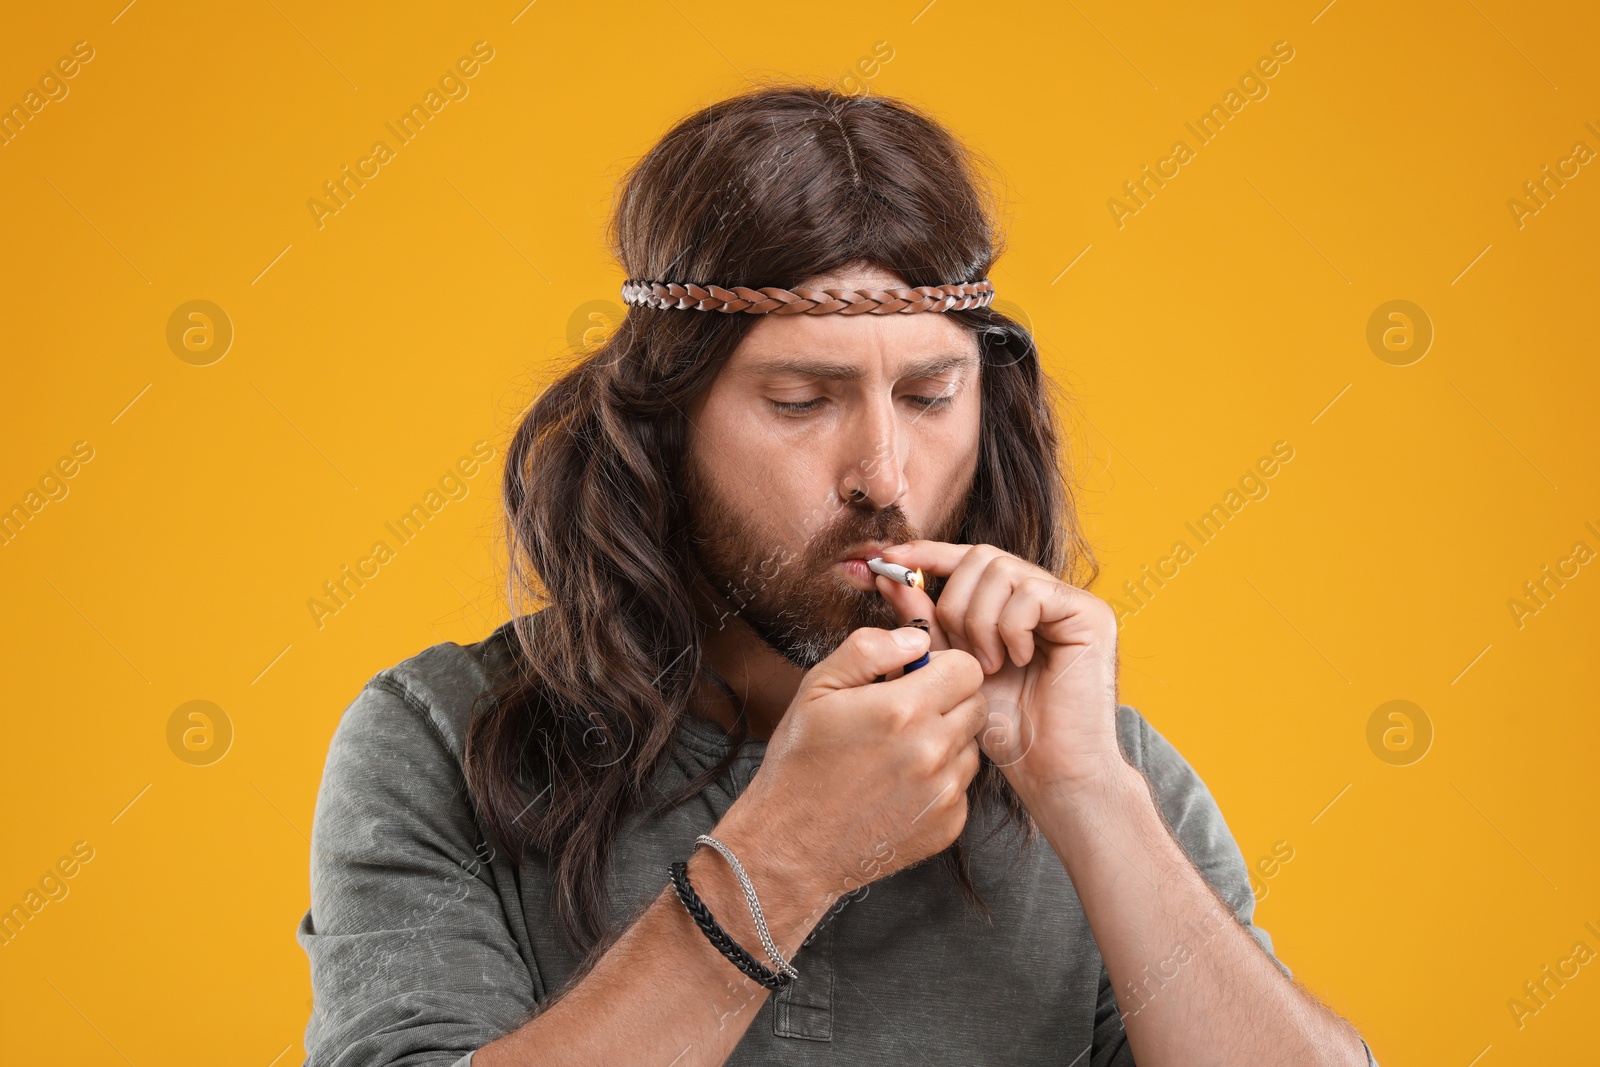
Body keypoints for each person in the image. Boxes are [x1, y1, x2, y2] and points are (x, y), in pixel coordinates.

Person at [296, 84, 1379, 1066]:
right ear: (662, 424)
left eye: (928, 394)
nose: (882, 474)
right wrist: (780, 862)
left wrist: (1090, 799)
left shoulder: (1104, 763)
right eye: (800, 402)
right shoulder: (437, 739)